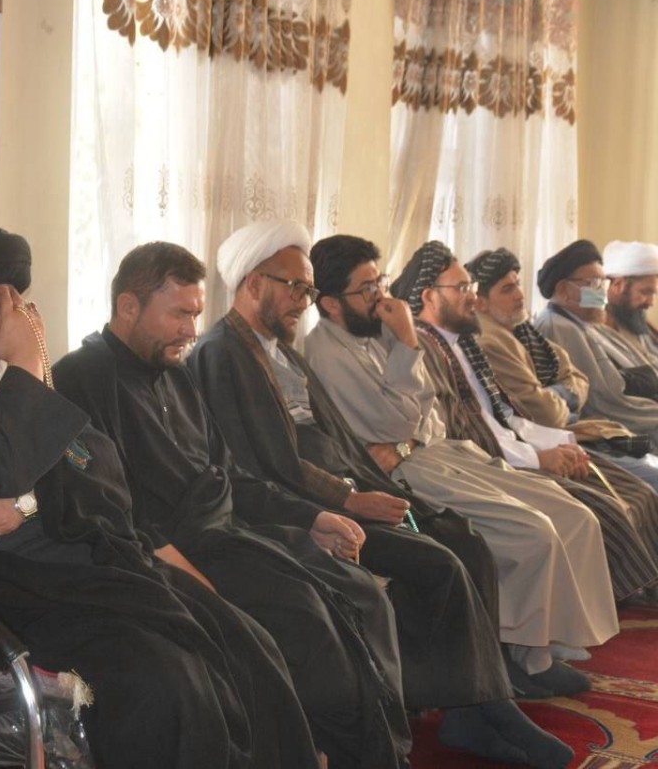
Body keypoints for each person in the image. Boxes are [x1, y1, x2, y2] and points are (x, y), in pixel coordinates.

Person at [0, 219, 320, 769]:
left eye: (17, 313)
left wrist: (28, 497)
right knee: (167, 680)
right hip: (0, 606)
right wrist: (27, 368)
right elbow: (1, 473)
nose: (8, 333)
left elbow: (99, 471)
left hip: (75, 582)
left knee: (244, 639)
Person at [187, 221, 576, 767]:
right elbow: (263, 465)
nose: (304, 301)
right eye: (296, 287)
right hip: (301, 512)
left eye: (307, 289)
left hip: (345, 487)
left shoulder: (279, 350)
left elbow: (341, 440)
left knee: (461, 536)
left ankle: (475, 706)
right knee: (438, 563)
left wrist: (373, 486)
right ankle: (480, 705)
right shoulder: (223, 354)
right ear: (253, 283)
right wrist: (348, 500)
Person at [55, 243, 415, 769]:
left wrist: (312, 518)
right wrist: (185, 573)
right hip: (175, 557)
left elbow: (231, 475)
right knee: (307, 617)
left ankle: (372, 753)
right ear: (128, 306)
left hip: (232, 534)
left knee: (359, 595)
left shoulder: (176, 374)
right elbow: (107, 508)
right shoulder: (80, 379)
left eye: (196, 315)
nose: (191, 331)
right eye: (179, 314)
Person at [304, 235, 618, 703]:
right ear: (330, 303)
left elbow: (427, 416)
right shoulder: (327, 352)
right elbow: (398, 421)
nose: (381, 297)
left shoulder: (375, 331)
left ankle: (549, 639)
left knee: (572, 513)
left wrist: (406, 431)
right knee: (531, 530)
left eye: (380, 282)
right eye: (366, 289)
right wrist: (407, 345)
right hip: (405, 473)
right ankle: (523, 658)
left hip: (436, 452)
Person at [396, 242, 658, 603]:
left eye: (472, 286)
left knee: (635, 489)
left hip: (528, 444)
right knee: (595, 510)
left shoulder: (468, 341)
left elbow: (508, 415)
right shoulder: (433, 347)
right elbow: (477, 430)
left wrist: (558, 442)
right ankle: (609, 605)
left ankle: (622, 597)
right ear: (429, 296)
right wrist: (542, 455)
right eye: (464, 288)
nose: (472, 297)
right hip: (488, 463)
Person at [468, 248, 658, 560]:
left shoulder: (526, 330)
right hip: (560, 439)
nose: (520, 295)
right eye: (507, 288)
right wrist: (566, 394)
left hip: (579, 431)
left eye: (518, 285)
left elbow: (579, 378)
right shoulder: (528, 332)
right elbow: (570, 405)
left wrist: (559, 392)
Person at [533, 240, 658, 441]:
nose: (602, 292)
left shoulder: (589, 324)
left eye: (603, 283)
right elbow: (602, 404)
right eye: (594, 284)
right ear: (564, 289)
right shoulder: (559, 328)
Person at [602, 240, 658, 364]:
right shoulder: (602, 329)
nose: (651, 302)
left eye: (653, 294)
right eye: (645, 292)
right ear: (618, 285)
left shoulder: (638, 322)